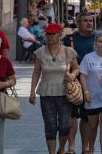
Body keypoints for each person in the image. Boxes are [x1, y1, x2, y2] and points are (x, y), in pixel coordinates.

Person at [30, 23, 79, 154]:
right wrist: (32, 91)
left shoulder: (68, 51)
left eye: (53, 34)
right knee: (50, 126)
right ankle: (51, 152)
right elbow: (36, 72)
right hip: (46, 93)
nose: (50, 36)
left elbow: (76, 68)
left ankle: (61, 149)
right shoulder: (40, 52)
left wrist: (72, 75)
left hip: (64, 93)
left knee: (65, 126)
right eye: (48, 34)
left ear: (59, 34)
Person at [63, 12, 97, 154]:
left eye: (91, 20)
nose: (89, 23)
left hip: (91, 84)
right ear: (77, 22)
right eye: (85, 21)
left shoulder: (98, 38)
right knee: (72, 117)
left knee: (87, 117)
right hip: (73, 84)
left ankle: (85, 146)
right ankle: (71, 146)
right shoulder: (68, 39)